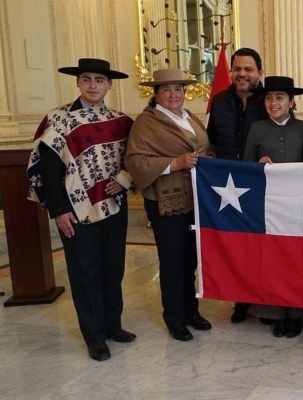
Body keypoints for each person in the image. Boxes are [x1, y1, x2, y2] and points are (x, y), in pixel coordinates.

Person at [26, 58, 136, 361]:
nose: (92, 86)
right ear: (78, 82)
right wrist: (59, 211)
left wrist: (125, 180)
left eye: (99, 80)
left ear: (109, 85)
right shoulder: (58, 119)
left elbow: (136, 158)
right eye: (86, 79)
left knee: (113, 268)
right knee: (86, 271)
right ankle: (94, 336)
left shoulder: (121, 120)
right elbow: (48, 171)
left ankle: (113, 326)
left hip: (114, 206)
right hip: (76, 210)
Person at [125, 68, 213, 342]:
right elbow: (135, 161)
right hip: (165, 201)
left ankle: (191, 311)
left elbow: (203, 148)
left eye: (178, 89)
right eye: (166, 89)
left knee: (190, 258)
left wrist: (208, 158)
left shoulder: (191, 117)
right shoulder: (146, 122)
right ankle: (174, 317)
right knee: (173, 260)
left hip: (196, 198)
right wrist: (174, 163)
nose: (173, 94)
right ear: (155, 94)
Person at [242, 76, 303, 338]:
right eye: (269, 98)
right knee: (271, 260)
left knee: (295, 259)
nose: (274, 103)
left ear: (292, 102)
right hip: (268, 204)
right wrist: (259, 162)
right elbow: (247, 165)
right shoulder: (257, 128)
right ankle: (274, 313)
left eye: (280, 98)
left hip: (296, 203)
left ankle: (295, 313)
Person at [205, 47, 269, 324]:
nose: (242, 74)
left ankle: (267, 303)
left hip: (260, 183)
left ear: (259, 73)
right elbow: (212, 140)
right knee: (237, 245)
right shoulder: (219, 101)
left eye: (249, 69)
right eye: (238, 69)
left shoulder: (270, 100)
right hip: (228, 185)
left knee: (263, 245)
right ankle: (241, 300)